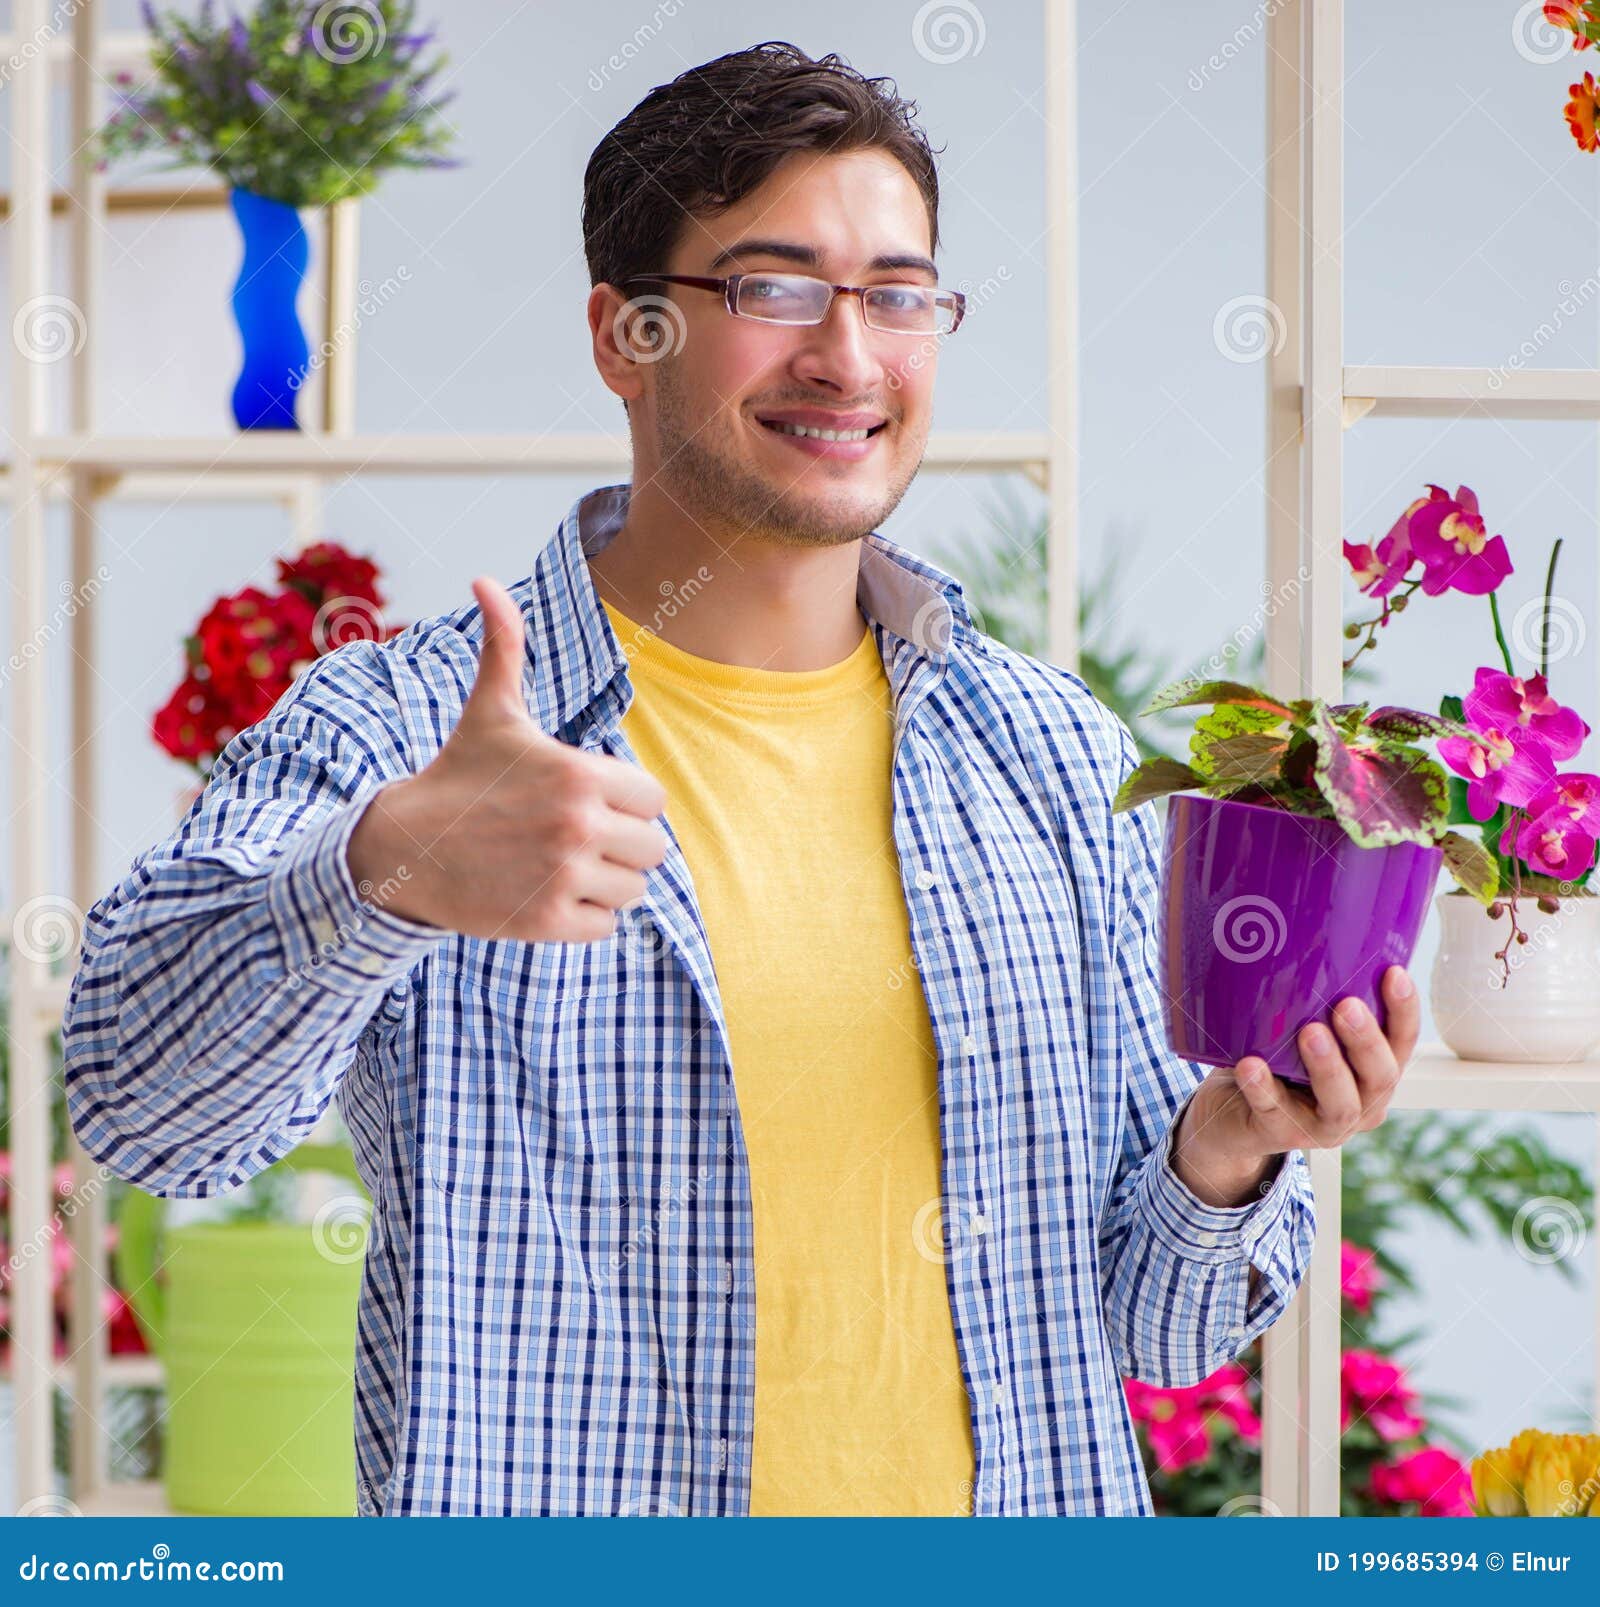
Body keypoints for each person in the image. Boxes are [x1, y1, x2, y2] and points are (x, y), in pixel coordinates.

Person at [62, 41, 1417, 1517]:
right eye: (772, 289)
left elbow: (1162, 1329)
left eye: (897, 294)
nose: (848, 356)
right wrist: (379, 874)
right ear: (624, 333)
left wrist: (1227, 1151)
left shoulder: (1054, 759)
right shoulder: (405, 729)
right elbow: (145, 1111)